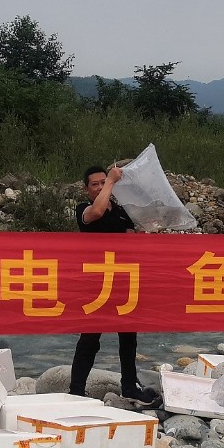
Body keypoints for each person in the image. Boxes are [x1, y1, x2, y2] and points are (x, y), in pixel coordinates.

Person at [69, 164, 161, 408]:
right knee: (90, 338)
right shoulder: (84, 209)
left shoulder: (121, 212)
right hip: (96, 284)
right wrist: (111, 180)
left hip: (122, 281)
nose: (100, 186)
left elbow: (132, 241)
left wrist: (147, 236)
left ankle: (129, 386)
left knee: (128, 337)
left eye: (103, 182)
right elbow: (98, 211)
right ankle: (75, 391)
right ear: (87, 189)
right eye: (95, 184)